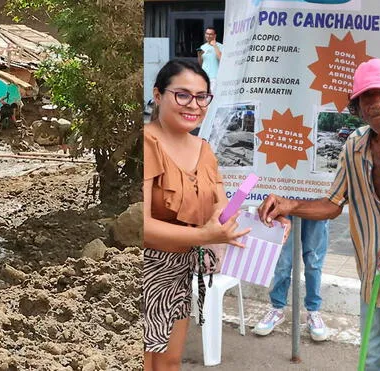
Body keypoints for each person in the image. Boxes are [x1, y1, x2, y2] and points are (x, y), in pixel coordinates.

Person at [258, 58, 380, 370]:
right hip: (373, 276)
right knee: (373, 361)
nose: (377, 104)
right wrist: (289, 205)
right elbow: (333, 205)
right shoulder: (354, 146)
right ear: (358, 107)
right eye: (367, 97)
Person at [143, 59, 288, 370]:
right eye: (182, 95)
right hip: (144, 269)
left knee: (169, 361)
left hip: (179, 269)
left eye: (201, 96)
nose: (193, 105)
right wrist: (202, 235)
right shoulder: (146, 143)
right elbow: (141, 225)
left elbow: (221, 208)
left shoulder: (204, 149)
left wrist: (262, 221)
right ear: (157, 95)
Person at [253, 218, 330, 341]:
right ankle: (277, 309)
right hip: (286, 207)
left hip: (316, 207)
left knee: (313, 263)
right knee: (283, 262)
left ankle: (313, 311)